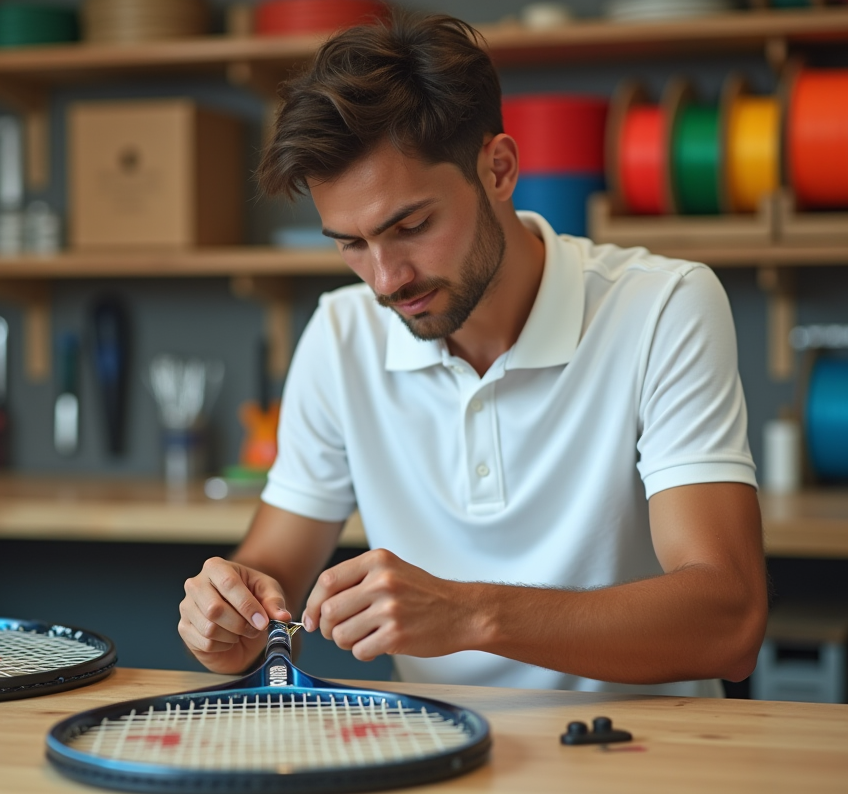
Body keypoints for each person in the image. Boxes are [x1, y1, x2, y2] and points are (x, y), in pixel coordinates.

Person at [178, 14, 767, 696]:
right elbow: (272, 564)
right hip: (430, 753)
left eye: (411, 227)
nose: (384, 278)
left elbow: (730, 623)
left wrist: (472, 614)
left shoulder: (664, 307)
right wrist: (232, 617)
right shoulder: (341, 336)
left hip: (634, 757)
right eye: (349, 243)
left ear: (499, 169)